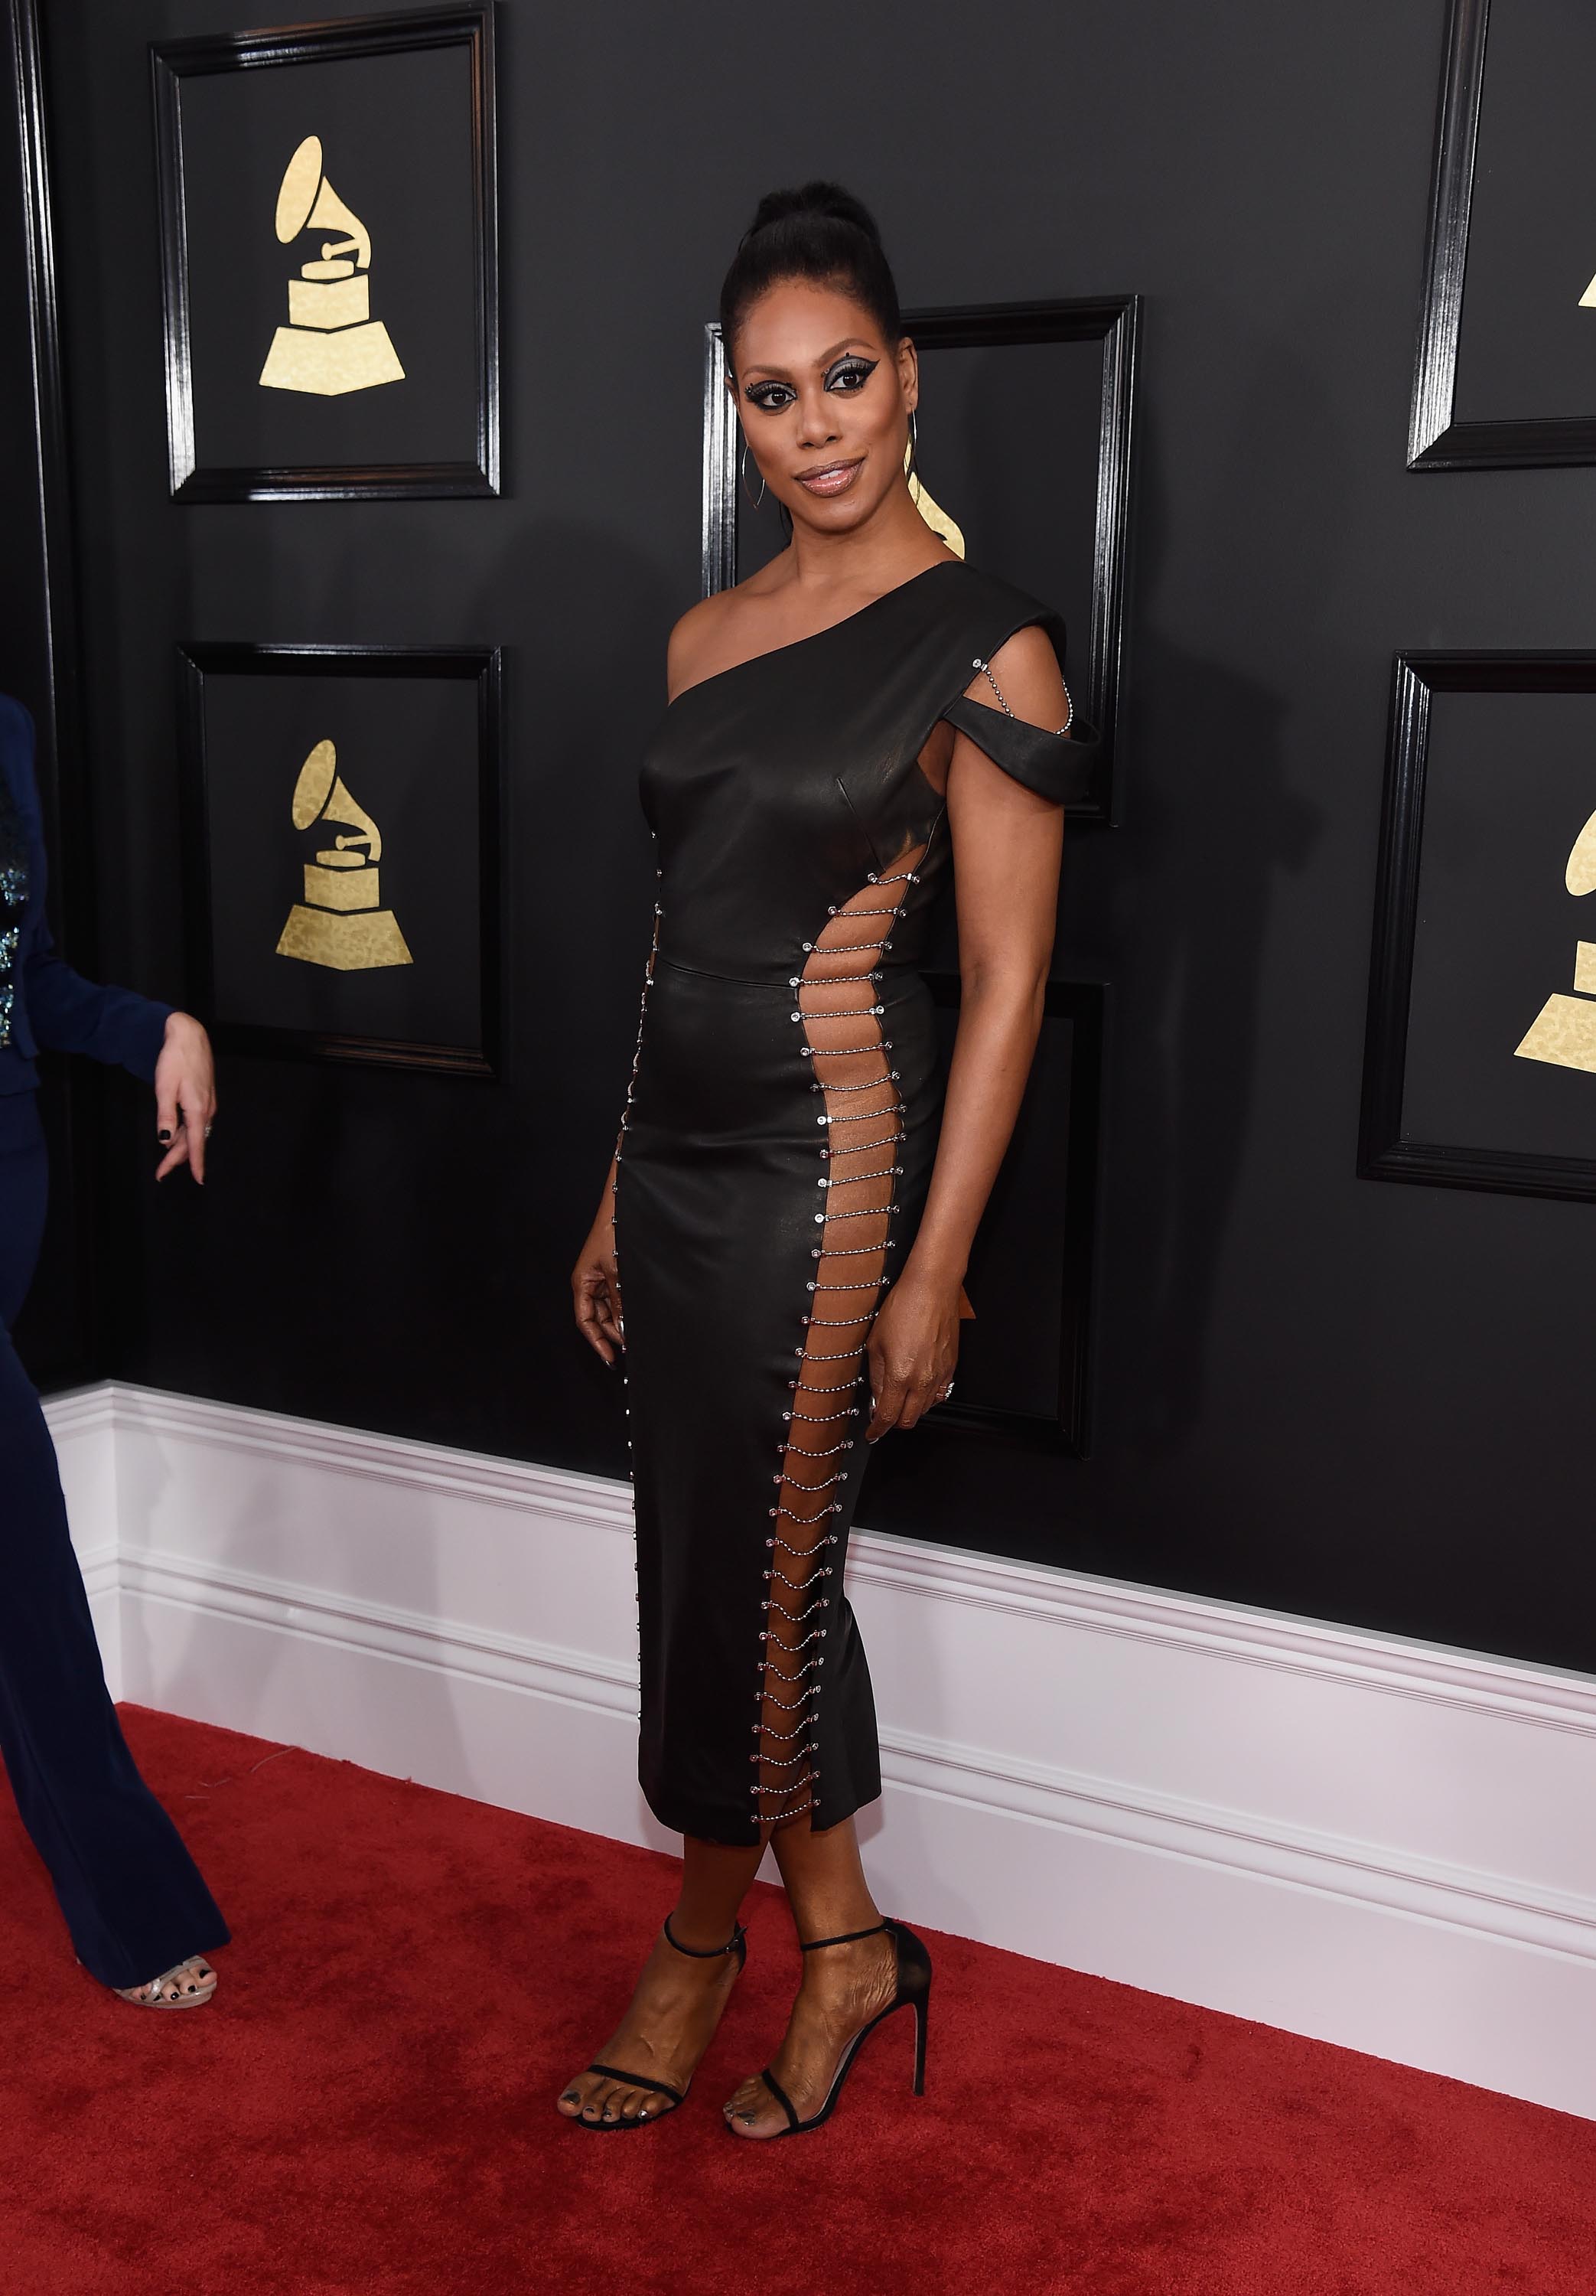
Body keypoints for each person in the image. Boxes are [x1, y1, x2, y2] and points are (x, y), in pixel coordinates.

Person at [565, 182, 1095, 2138]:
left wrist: (938, 1265)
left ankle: (704, 1942)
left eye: (845, 378)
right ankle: (844, 1938)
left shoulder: (988, 646)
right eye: (770, 394)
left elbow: (1012, 973)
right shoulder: (706, 638)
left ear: (910, 381)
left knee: (764, 1571)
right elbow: (676, 938)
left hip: (825, 1172)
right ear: (738, 413)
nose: (815, 426)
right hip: (683, 1165)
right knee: (709, 1558)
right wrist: (621, 1182)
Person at [0, 690, 228, 2007]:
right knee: (22, 1544)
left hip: (3, 1174)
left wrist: (158, 1030)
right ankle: (133, 1912)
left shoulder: (7, 731)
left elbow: (22, 980)